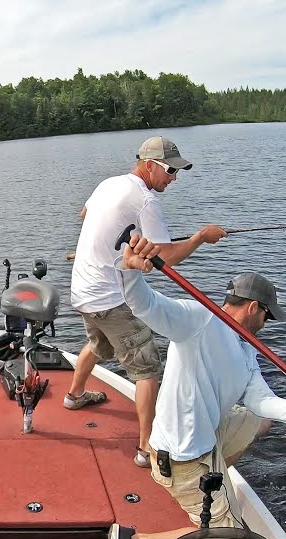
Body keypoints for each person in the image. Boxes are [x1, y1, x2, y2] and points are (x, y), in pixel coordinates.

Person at [106, 235, 286, 539]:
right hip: (182, 458)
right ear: (254, 308)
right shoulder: (199, 319)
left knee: (260, 420)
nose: (266, 327)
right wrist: (132, 271)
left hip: (203, 442)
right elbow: (147, 305)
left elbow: (262, 401)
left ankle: (218, 472)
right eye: (267, 317)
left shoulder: (246, 348)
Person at [65, 136, 227, 468]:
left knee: (99, 345)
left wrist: (118, 245)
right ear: (149, 164)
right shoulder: (146, 201)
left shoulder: (109, 184)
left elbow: (86, 216)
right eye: (169, 170)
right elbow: (167, 258)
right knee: (147, 367)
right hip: (111, 296)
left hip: (82, 291)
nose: (173, 178)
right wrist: (199, 238)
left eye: (177, 171)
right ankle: (145, 449)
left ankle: (75, 396)